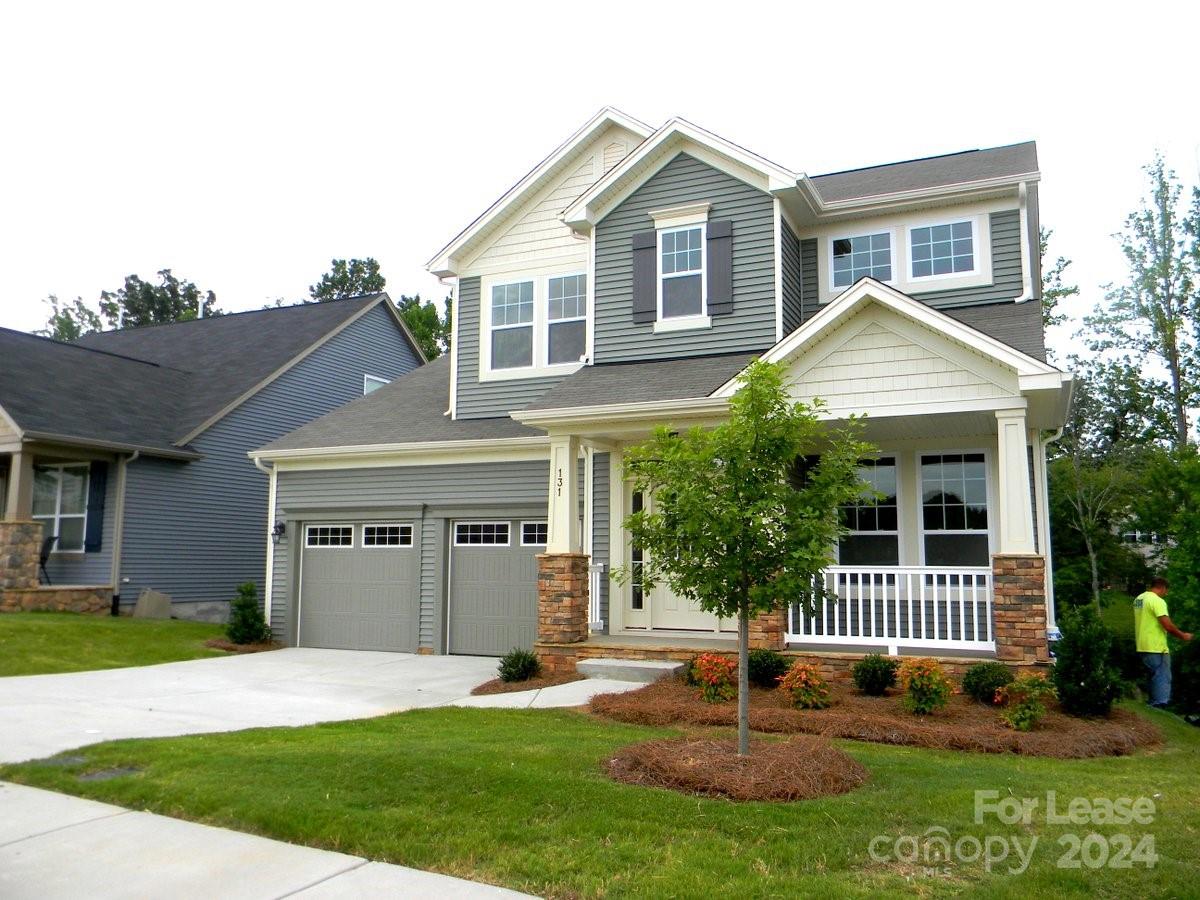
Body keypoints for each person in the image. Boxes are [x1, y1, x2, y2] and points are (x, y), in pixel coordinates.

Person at [1133, 577, 1193, 709]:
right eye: (1166, 591)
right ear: (1163, 588)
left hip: (1142, 644)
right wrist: (1183, 636)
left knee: (1152, 675)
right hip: (1156, 646)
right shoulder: (1157, 601)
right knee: (1162, 675)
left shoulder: (1139, 599)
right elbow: (1167, 625)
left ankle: (1151, 703)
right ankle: (1159, 704)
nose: (1166, 593)